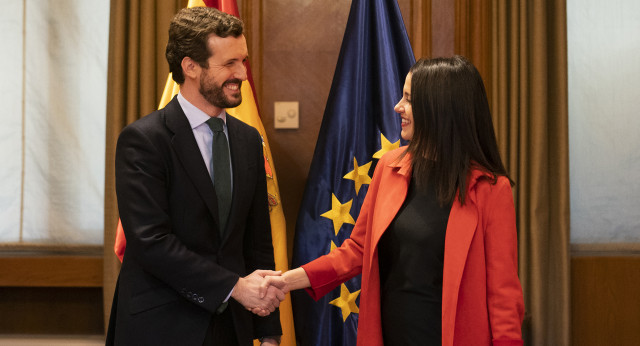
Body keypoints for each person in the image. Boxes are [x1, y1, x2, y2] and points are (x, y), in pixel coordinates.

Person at [262, 56, 524, 346]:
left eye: (409, 99)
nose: (398, 106)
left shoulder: (490, 189)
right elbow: (356, 250)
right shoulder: (389, 166)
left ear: (438, 108)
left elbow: (503, 295)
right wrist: (287, 282)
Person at [106, 7, 283, 346]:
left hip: (233, 328)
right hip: (162, 326)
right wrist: (235, 287)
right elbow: (151, 242)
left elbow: (258, 242)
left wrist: (269, 332)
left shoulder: (248, 140)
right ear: (190, 67)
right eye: (229, 63)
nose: (243, 74)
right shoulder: (144, 140)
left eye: (243, 61)